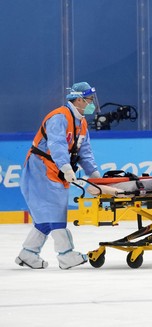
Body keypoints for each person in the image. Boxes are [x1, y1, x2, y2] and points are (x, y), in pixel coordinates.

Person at [16, 82, 101, 269]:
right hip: (41, 168)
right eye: (89, 99)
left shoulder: (81, 122)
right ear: (78, 99)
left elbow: (84, 151)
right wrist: (66, 168)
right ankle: (66, 254)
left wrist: (95, 176)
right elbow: (57, 145)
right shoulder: (59, 117)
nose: (92, 103)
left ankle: (28, 253)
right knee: (55, 210)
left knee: (47, 216)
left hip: (56, 170)